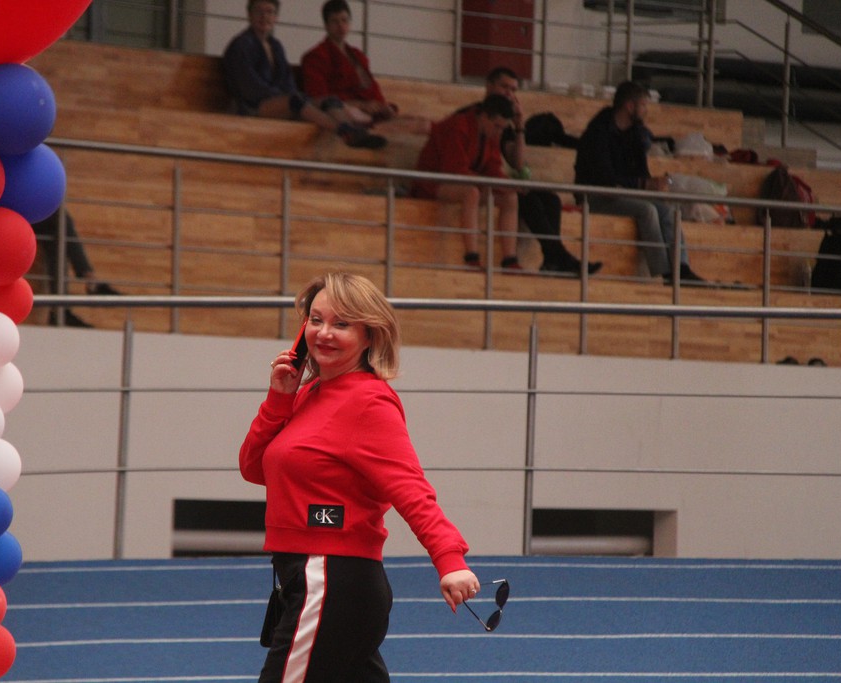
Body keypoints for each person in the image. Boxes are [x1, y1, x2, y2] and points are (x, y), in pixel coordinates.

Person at [239, 272, 480, 681]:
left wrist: (449, 560)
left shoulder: (369, 401)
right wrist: (279, 398)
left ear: (370, 335)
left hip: (330, 579)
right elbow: (253, 467)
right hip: (310, 578)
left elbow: (410, 488)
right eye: (316, 320)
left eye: (342, 324)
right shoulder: (307, 394)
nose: (324, 333)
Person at [574, 80, 705, 284]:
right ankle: (666, 272)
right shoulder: (598, 133)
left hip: (624, 192)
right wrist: (643, 185)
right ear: (629, 106)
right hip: (596, 195)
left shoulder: (635, 134)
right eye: (643, 105)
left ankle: (682, 267)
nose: (646, 111)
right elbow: (605, 179)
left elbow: (640, 172)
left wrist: (653, 185)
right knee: (647, 210)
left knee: (666, 210)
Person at [478, 67, 602, 276]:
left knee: (551, 199)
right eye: (504, 87)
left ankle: (552, 259)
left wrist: (519, 127)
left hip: (501, 180)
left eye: (513, 89)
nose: (509, 93)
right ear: (489, 86)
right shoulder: (480, 115)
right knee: (528, 200)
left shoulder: (507, 124)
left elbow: (518, 164)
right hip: (484, 180)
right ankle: (560, 257)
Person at [223, 0, 386, 150]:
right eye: (259, 11)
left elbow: (287, 80)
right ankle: (344, 131)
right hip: (252, 106)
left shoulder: (276, 46)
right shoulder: (241, 45)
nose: (264, 16)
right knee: (296, 100)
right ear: (249, 14)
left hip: (281, 101)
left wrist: (290, 97)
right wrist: (283, 97)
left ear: (276, 17)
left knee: (329, 100)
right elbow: (249, 88)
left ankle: (355, 132)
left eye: (270, 12)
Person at [411, 94, 523, 271]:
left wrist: (507, 184)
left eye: (502, 128)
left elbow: (493, 168)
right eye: (497, 126)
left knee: (510, 197)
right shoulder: (458, 126)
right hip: (432, 183)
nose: (499, 133)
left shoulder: (490, 134)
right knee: (471, 193)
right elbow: (455, 170)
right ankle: (472, 256)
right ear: (484, 117)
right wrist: (493, 182)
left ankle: (510, 260)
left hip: (466, 180)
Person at [300, 0, 395, 125]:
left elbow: (372, 90)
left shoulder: (358, 56)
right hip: (339, 115)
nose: (341, 26)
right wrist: (361, 105)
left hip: (371, 113)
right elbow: (319, 98)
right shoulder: (316, 57)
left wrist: (382, 106)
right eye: (334, 21)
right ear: (326, 25)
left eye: (344, 20)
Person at [32, 208, 119, 328]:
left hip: (29, 214)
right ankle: (90, 282)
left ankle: (60, 311)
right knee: (60, 220)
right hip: (15, 214)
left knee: (58, 241)